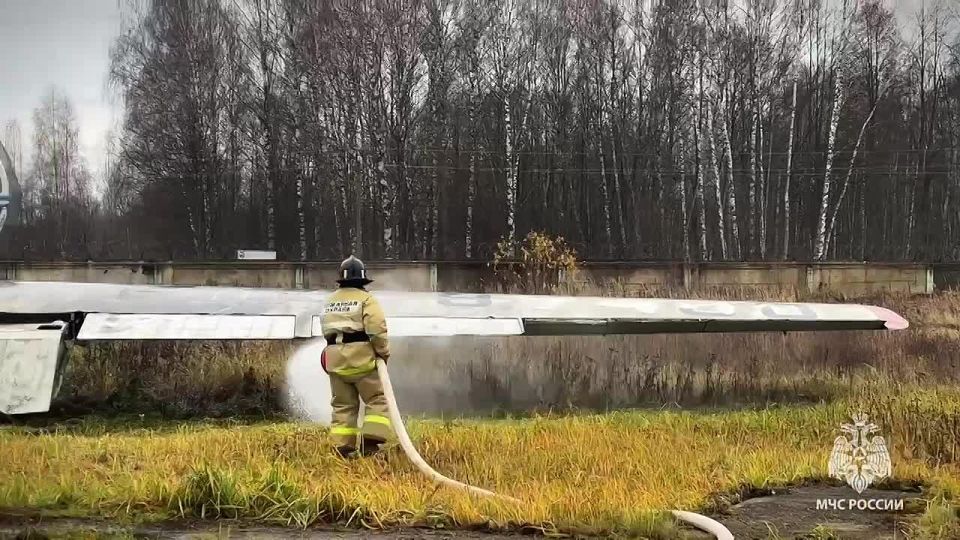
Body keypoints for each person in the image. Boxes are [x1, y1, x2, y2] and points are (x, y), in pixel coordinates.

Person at [320, 255, 392, 458]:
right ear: (362, 280)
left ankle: (343, 449)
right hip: (362, 360)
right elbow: (377, 330)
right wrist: (383, 353)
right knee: (377, 399)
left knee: (342, 405)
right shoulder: (367, 299)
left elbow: (326, 332)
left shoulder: (329, 301)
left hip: (335, 360)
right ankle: (370, 445)